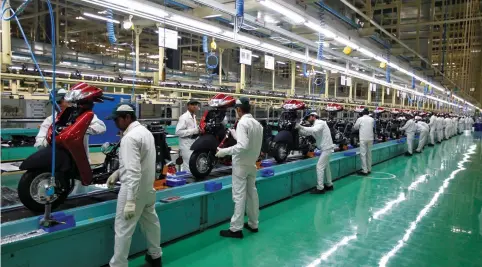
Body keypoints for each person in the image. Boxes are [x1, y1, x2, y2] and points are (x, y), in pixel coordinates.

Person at [106, 104, 161, 267]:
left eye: (117, 119)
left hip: (133, 192)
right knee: (151, 223)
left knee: (123, 229)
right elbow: (142, 162)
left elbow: (134, 171)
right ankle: (155, 256)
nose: (115, 123)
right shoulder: (145, 132)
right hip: (148, 189)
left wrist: (130, 200)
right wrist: (117, 173)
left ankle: (118, 265)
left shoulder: (129, 138)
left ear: (127, 118)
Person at [35, 88, 106, 194]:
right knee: (60, 193)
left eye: (60, 102)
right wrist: (43, 143)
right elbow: (40, 139)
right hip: (59, 166)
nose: (58, 105)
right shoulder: (51, 120)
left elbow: (101, 127)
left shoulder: (82, 117)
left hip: (79, 164)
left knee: (80, 195)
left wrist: (82, 128)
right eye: (55, 103)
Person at [215, 97, 263, 239]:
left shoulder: (242, 123)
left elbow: (243, 146)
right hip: (251, 164)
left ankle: (236, 229)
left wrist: (224, 151)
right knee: (252, 194)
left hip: (241, 165)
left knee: (239, 196)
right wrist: (236, 135)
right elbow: (249, 142)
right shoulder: (257, 124)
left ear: (239, 110)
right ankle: (254, 224)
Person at [296, 112, 334, 193]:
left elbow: (313, 130)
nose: (308, 120)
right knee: (326, 167)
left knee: (319, 167)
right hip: (325, 148)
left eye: (308, 118)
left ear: (313, 116)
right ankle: (329, 184)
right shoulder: (315, 126)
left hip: (326, 148)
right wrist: (298, 129)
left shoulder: (320, 123)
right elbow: (306, 133)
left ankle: (320, 188)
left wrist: (301, 126)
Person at [175, 100, 200, 172]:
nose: (195, 106)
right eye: (192, 104)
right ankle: (187, 181)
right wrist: (194, 130)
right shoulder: (184, 117)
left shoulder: (194, 116)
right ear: (188, 106)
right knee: (188, 164)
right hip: (186, 144)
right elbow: (178, 132)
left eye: (196, 104)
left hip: (192, 142)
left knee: (193, 163)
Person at [353, 108, 375, 175]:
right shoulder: (372, 119)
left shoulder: (360, 119)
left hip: (363, 138)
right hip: (370, 138)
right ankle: (369, 169)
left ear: (362, 113)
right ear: (368, 113)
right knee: (369, 154)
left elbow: (355, 127)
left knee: (363, 154)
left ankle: (364, 170)